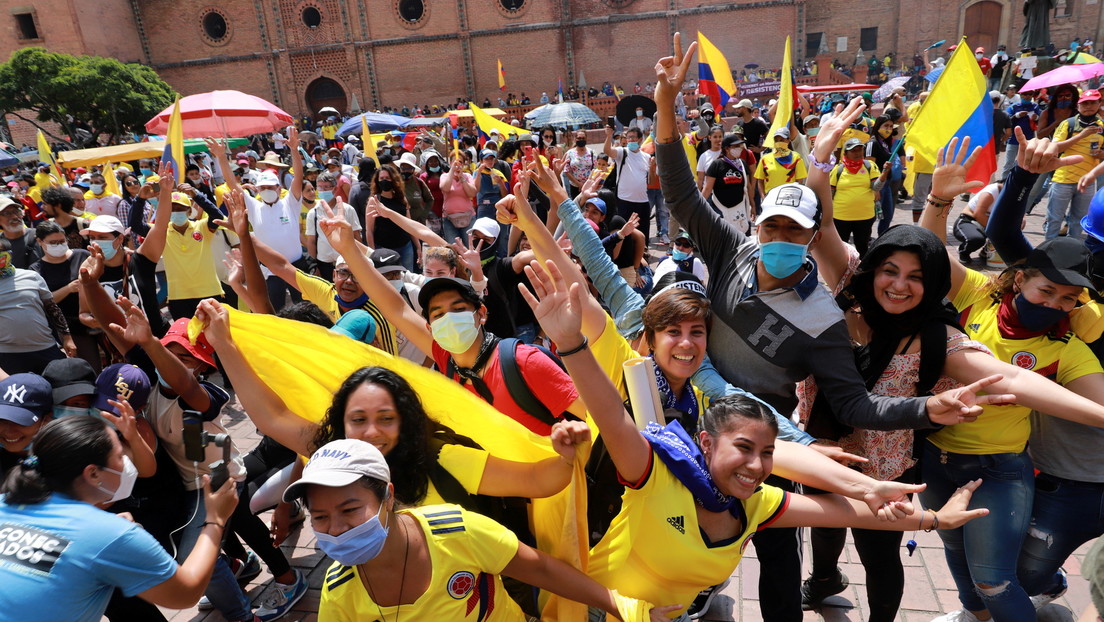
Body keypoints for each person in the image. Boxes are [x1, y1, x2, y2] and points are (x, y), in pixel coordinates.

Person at [651, 34, 1009, 622]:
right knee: (674, 525)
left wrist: (925, 411)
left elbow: (857, 403)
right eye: (773, 230)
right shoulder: (730, 251)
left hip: (763, 438)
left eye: (796, 234)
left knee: (776, 553)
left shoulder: (824, 318)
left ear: (811, 236)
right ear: (759, 225)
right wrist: (667, 104)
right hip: (688, 412)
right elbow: (681, 191)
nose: (781, 243)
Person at [518, 247, 990, 620]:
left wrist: (925, 518)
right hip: (606, 608)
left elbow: (808, 477)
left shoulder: (751, 496)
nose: (756, 467)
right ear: (704, 445)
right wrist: (570, 343)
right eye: (672, 332)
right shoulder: (654, 472)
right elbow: (611, 412)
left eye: (697, 332)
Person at [919, 133, 1104, 622]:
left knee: (996, 580)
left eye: (1069, 299)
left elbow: (1100, 405)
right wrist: (939, 198)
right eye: (1048, 291)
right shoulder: (978, 296)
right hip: (937, 458)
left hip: (1003, 468)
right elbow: (928, 253)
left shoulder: (1069, 344)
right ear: (1020, 279)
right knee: (956, 555)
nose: (1056, 305)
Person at [285, 439, 669, 621]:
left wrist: (626, 609)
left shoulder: (457, 530)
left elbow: (541, 569)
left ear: (388, 496)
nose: (336, 529)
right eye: (319, 518)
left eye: (350, 509)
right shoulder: (338, 595)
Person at [0, 415, 238, 621]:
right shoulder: (109, 533)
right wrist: (215, 519)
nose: (126, 461)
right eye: (119, 454)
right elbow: (186, 593)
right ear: (93, 473)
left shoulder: (6, 502)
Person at [1046, 89, 1104, 239]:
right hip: (1062, 179)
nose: (1088, 106)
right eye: (1085, 103)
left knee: (1078, 222)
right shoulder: (1068, 124)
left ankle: (1073, 254)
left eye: (1093, 103)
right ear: (1078, 106)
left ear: (1099, 104)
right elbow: (1055, 148)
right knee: (1054, 219)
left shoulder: (1102, 127)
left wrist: (1101, 154)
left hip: (1087, 183)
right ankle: (1048, 252)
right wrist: (1082, 136)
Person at [829, 137, 888, 257]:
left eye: (860, 150)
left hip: (865, 216)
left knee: (862, 246)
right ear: (845, 153)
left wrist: (884, 173)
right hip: (841, 217)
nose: (858, 153)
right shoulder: (838, 169)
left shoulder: (869, 166)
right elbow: (830, 193)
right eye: (853, 151)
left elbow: (876, 188)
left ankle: (861, 273)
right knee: (842, 248)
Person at [604, 125, 654, 244]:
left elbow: (650, 182)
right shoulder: (622, 152)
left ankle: (643, 254)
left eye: (633, 137)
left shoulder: (646, 157)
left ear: (640, 139)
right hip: (624, 200)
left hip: (642, 201)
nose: (630, 140)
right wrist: (609, 135)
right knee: (625, 233)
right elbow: (607, 151)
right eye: (628, 137)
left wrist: (652, 169)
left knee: (642, 233)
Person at [701, 134, 753, 234]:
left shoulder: (742, 164)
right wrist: (699, 207)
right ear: (727, 149)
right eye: (735, 146)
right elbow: (707, 189)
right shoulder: (716, 165)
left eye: (740, 146)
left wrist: (753, 205)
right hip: (720, 209)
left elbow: (748, 187)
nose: (739, 149)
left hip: (740, 209)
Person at [954, 180, 1001, 263]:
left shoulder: (1016, 195)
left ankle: (986, 251)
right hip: (968, 220)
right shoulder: (992, 191)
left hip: (989, 222)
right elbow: (978, 215)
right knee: (976, 239)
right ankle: (963, 251)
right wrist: (995, 232)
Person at [754, 127, 808, 196]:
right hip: (770, 198)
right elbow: (760, 181)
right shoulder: (765, 159)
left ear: (788, 140)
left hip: (789, 197)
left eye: (782, 140)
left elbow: (800, 181)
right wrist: (763, 197)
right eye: (776, 140)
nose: (779, 143)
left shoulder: (796, 158)